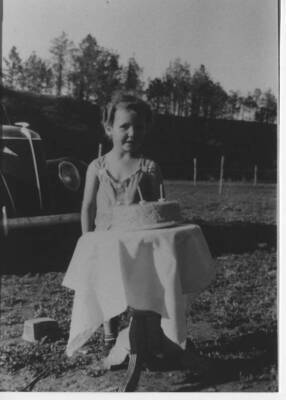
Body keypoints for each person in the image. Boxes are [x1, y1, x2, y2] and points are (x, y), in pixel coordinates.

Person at [80, 91, 164, 349]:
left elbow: (161, 210)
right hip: (105, 240)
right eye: (124, 126)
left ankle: (145, 335)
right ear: (109, 129)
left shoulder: (149, 168)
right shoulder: (97, 167)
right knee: (108, 287)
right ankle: (110, 332)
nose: (132, 133)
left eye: (138, 127)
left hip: (138, 243)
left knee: (140, 288)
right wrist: (87, 239)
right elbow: (88, 206)